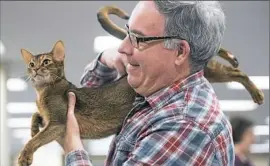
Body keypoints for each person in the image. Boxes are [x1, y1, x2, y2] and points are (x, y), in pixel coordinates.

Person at [64, 1, 235, 165]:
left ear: (180, 52)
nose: (122, 48)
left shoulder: (184, 125)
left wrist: (73, 149)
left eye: (138, 39)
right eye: (128, 32)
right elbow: (89, 99)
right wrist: (105, 60)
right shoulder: (155, 91)